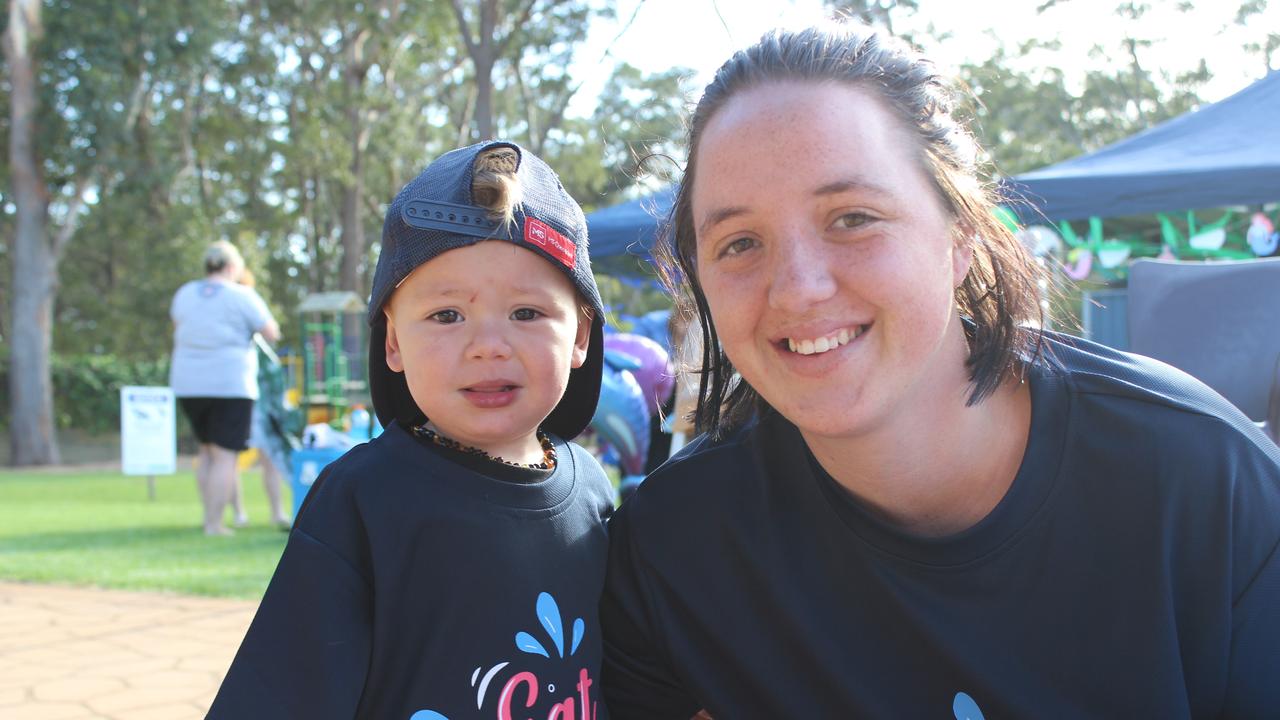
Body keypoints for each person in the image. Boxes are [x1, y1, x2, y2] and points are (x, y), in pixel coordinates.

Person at [600, 23, 1280, 718]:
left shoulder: (1203, 484)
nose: (798, 288)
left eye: (852, 218)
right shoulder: (675, 551)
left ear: (959, 237)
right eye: (739, 242)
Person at [207, 141, 615, 718]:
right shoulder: (365, 499)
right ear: (393, 341)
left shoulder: (595, 491)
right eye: (446, 315)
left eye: (527, 313)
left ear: (579, 336)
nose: (488, 347)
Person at [170, 240, 280, 536]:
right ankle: (214, 524)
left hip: (187, 383)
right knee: (225, 455)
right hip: (229, 382)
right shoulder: (242, 295)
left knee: (205, 451)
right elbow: (271, 333)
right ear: (232, 267)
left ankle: (208, 516)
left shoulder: (185, 293)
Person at [227, 268, 294, 531]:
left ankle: (265, 512)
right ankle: (250, 513)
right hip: (244, 393)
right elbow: (272, 331)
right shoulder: (244, 300)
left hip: (248, 395)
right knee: (233, 456)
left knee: (235, 456)